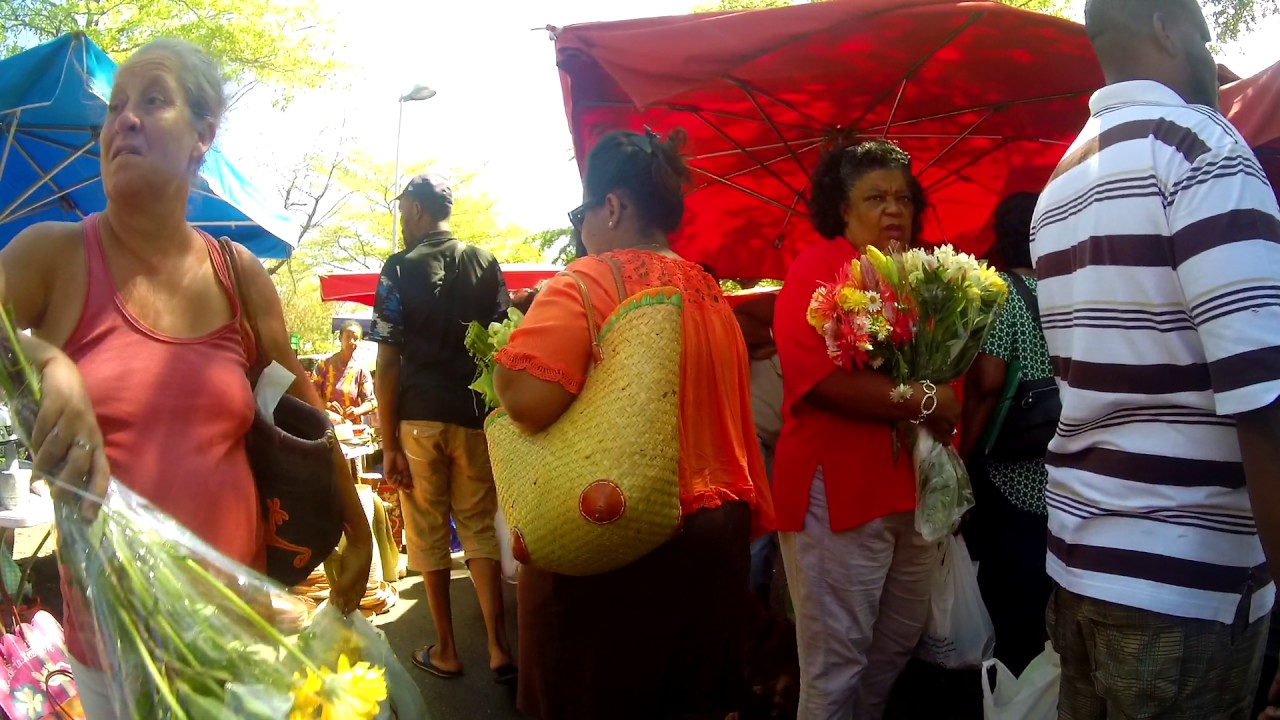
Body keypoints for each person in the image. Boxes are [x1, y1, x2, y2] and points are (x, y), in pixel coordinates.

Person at [0, 38, 372, 718]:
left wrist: (357, 526)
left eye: (152, 101)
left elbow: (303, 412)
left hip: (239, 632)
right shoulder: (51, 258)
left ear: (203, 135)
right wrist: (49, 360)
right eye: (115, 108)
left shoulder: (238, 275)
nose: (124, 121)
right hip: (113, 648)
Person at [1032, 1, 1280, 717]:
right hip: (1187, 595)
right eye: (1204, 33)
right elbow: (1265, 401)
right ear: (1168, 27)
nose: (1210, 53)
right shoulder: (1199, 148)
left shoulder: (1061, 185)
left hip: (1081, 572)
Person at [492, 128, 775, 720]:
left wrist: (498, 365)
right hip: (715, 542)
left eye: (582, 211)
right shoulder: (712, 295)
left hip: (617, 539)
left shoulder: (588, 280)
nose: (581, 227)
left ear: (613, 206)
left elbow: (526, 401)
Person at [773, 139, 957, 720]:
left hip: (913, 493)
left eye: (903, 197)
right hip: (839, 494)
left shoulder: (926, 275)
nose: (894, 210)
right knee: (835, 666)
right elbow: (822, 381)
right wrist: (929, 400)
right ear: (842, 208)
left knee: (895, 644)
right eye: (875, 198)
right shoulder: (816, 270)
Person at [372, 173, 515, 683]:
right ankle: (499, 649)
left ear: (414, 209)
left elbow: (387, 363)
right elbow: (504, 340)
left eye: (403, 208)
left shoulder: (396, 269)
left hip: (418, 421)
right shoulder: (485, 262)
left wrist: (387, 445)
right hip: (474, 419)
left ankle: (448, 650)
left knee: (428, 532)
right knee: (477, 528)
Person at [958, 192, 1052, 676]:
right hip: (1058, 468)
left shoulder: (1003, 293)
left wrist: (962, 457)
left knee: (1008, 600)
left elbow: (988, 383)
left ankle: (1009, 691)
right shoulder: (1067, 287)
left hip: (1009, 471)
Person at [735, 291, 784, 605]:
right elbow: (735, 322)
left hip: (802, 437)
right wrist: (777, 337)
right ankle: (751, 612)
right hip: (757, 431)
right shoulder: (786, 300)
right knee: (758, 530)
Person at [313, 320, 377, 425]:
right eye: (348, 337)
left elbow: (371, 402)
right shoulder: (324, 365)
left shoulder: (361, 369)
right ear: (340, 338)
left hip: (351, 430)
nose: (351, 341)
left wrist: (356, 411)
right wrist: (327, 405)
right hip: (324, 426)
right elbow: (311, 394)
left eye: (356, 339)